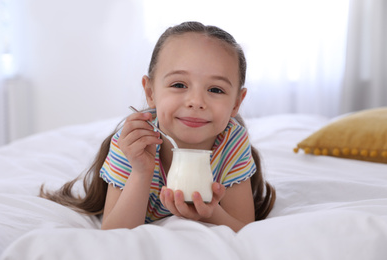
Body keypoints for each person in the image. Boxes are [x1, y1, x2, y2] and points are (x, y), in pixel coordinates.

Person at [40, 21, 276, 232]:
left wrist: (211, 212)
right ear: (150, 92)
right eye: (179, 84)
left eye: (215, 89)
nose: (196, 102)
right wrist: (141, 172)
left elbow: (245, 229)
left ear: (236, 103)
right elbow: (114, 233)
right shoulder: (133, 143)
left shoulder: (231, 142)